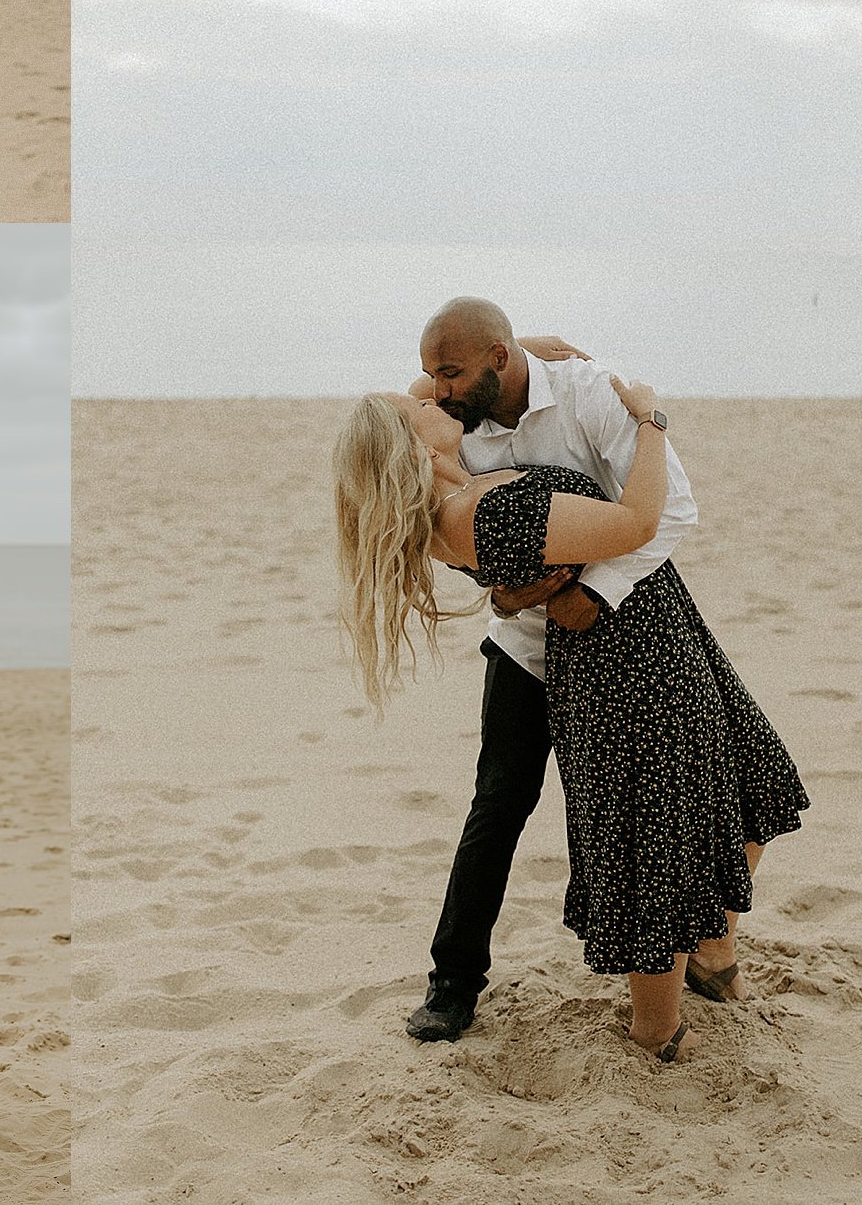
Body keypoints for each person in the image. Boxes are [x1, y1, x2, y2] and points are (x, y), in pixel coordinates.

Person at [332, 307, 808, 1062]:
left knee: (748, 785)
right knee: (502, 807)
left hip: (628, 628)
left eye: (447, 377)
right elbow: (405, 455)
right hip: (530, 651)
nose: (435, 391)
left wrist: (594, 591)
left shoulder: (580, 394)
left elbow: (671, 509)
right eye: (432, 384)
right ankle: (453, 985)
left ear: (496, 358)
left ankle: (712, 955)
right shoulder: (452, 423)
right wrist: (506, 589)